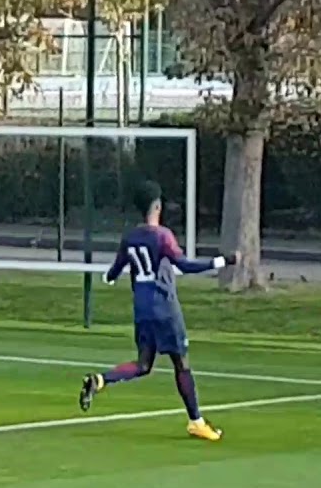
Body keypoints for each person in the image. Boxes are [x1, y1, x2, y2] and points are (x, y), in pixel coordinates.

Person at [79, 181, 236, 442]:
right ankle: (196, 421)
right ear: (158, 206)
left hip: (142, 309)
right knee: (181, 364)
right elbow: (185, 266)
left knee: (143, 364)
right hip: (164, 307)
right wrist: (222, 261)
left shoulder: (130, 237)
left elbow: (114, 271)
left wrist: (108, 278)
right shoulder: (162, 236)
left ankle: (101, 380)